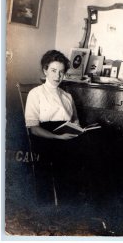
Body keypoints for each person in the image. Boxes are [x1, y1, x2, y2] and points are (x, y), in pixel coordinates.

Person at [25, 50, 85, 204]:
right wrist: (58, 137)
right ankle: (68, 200)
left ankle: (83, 199)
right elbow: (33, 129)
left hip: (67, 137)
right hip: (46, 139)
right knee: (78, 153)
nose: (57, 76)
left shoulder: (67, 96)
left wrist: (77, 128)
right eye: (53, 71)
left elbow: (75, 120)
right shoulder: (35, 93)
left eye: (61, 72)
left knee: (94, 146)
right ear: (45, 70)